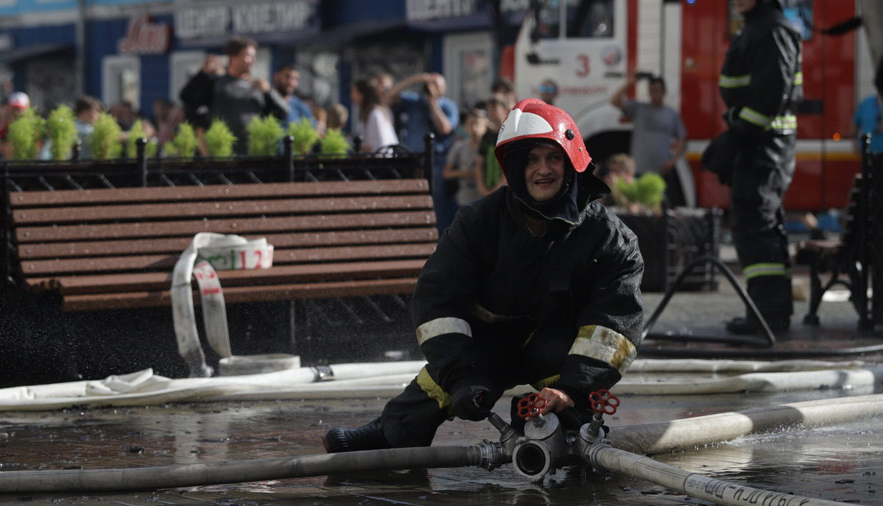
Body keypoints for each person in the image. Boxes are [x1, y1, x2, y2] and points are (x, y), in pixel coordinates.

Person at [323, 99, 644, 453]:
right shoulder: (478, 223)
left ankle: (572, 432)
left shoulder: (610, 239)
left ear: (572, 162)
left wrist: (572, 390)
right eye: (532, 159)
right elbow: (437, 302)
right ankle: (393, 433)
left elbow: (612, 330)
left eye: (553, 158)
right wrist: (463, 375)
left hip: (559, 351)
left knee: (571, 409)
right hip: (488, 344)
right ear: (515, 167)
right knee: (440, 380)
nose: (544, 170)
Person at [701, 0, 802, 335]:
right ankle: (766, 312)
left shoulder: (772, 30)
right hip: (757, 143)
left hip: (766, 145)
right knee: (753, 221)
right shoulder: (757, 27)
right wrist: (737, 137)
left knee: (757, 223)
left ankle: (769, 317)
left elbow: (770, 97)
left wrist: (736, 137)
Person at [179, 36, 288, 155]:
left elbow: (282, 114)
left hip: (254, 155)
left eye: (254, 56)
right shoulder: (216, 83)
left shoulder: (258, 87)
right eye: (248, 56)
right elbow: (187, 98)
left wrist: (268, 92)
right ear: (233, 57)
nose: (252, 60)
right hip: (224, 155)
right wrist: (203, 73)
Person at [386, 72, 461, 231]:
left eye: (436, 85)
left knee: (437, 203)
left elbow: (445, 128)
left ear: (443, 89)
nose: (430, 87)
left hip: (436, 161)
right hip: (413, 160)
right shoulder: (414, 101)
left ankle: (440, 239)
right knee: (412, 201)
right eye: (429, 85)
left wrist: (432, 102)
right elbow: (389, 96)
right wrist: (416, 78)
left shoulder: (447, 105)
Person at [610, 73, 686, 206]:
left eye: (657, 90)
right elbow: (614, 101)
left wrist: (673, 161)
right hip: (639, 170)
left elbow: (682, 138)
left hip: (662, 171)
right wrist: (631, 82)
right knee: (639, 208)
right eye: (651, 91)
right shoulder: (639, 109)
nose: (654, 94)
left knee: (662, 207)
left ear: (664, 92)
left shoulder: (671, 114)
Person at [443, 106, 488, 206]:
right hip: (464, 199)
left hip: (485, 198)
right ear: (465, 127)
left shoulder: (489, 149)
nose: (474, 128)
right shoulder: (458, 147)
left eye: (477, 124)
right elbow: (446, 173)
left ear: (485, 127)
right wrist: (465, 173)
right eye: (471, 124)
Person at [476, 93, 511, 197]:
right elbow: (479, 164)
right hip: (486, 191)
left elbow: (510, 167)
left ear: (505, 110)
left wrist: (496, 190)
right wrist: (482, 188)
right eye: (489, 108)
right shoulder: (486, 136)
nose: (490, 112)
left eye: (494, 108)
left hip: (504, 193)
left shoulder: (510, 136)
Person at [351, 78, 398, 154]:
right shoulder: (369, 113)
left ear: (362, 94)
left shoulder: (375, 114)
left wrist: (352, 145)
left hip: (384, 163)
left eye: (354, 91)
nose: (351, 95)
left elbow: (380, 147)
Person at [273, 63, 315, 128]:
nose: (291, 82)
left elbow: (314, 129)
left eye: (295, 79)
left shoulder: (301, 107)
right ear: (276, 76)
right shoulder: (264, 102)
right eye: (287, 76)